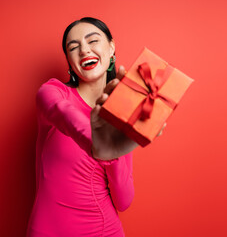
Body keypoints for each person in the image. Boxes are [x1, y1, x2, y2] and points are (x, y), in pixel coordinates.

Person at [27, 17, 164, 237]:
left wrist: (115, 151)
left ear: (111, 47)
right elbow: (64, 113)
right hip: (48, 230)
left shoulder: (122, 116)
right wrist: (100, 143)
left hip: (104, 230)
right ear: (69, 61)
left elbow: (124, 200)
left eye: (93, 41)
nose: (84, 50)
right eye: (74, 47)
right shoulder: (51, 93)